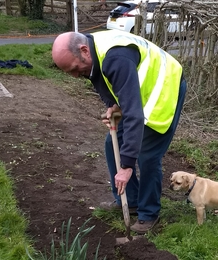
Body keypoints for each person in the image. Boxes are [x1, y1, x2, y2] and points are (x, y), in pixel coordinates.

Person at [51, 29, 186, 234]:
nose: (75, 75)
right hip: (140, 93)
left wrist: (126, 165)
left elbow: (134, 115)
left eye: (75, 69)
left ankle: (149, 214)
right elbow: (111, 83)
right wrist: (113, 105)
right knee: (111, 143)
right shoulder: (95, 53)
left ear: (84, 50)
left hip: (164, 89)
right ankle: (129, 201)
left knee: (147, 154)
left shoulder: (115, 58)